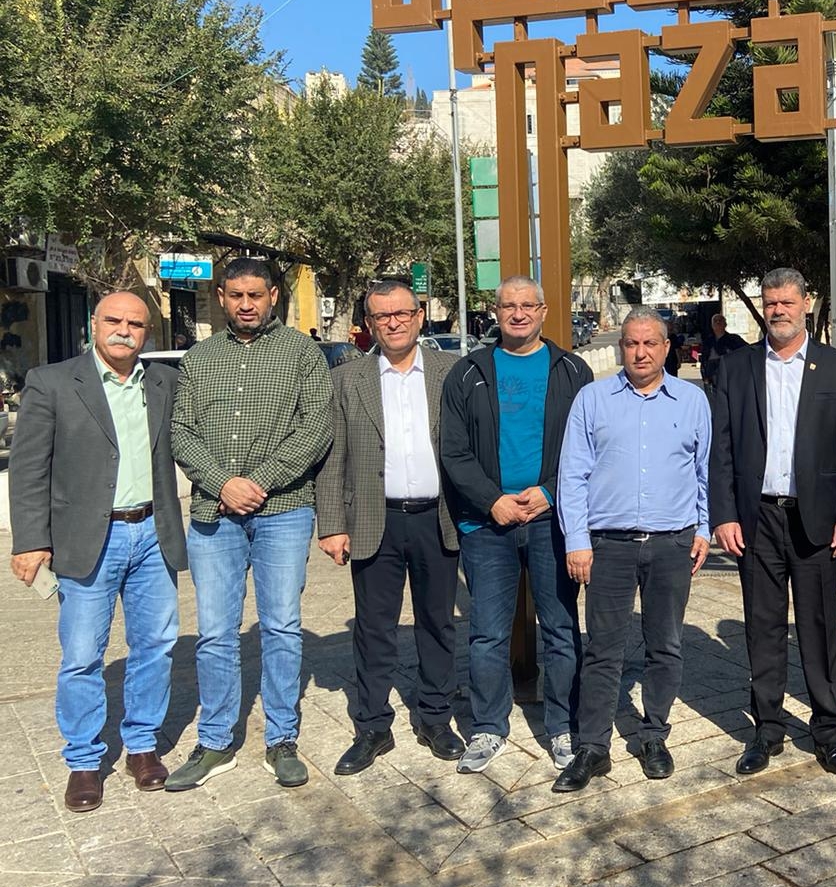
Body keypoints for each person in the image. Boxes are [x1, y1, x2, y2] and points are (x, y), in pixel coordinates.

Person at [8, 291, 187, 811]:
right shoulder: (52, 382)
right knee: (83, 655)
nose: (124, 330)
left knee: (155, 646)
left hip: (153, 532)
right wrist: (31, 541)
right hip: (88, 538)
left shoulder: (163, 382)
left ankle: (142, 745)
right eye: (114, 320)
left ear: (147, 332)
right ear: (94, 323)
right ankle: (84, 760)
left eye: (136, 324)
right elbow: (28, 468)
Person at [167, 258, 333, 791]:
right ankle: (216, 741)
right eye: (236, 295)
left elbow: (317, 429)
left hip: (284, 510)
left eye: (255, 295)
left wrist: (257, 481)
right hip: (214, 515)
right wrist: (223, 484)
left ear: (273, 296)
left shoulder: (302, 353)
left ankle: (281, 738)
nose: (245, 304)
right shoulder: (199, 358)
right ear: (221, 296)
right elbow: (181, 432)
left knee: (281, 626)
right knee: (216, 632)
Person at [710, 267, 836, 776]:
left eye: (786, 302)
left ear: (805, 304)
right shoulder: (735, 368)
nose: (777, 311)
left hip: (815, 520)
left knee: (821, 629)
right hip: (756, 519)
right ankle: (767, 730)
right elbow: (721, 450)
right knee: (763, 627)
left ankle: (829, 732)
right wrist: (724, 515)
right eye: (770, 302)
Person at [553, 311, 712, 791]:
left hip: (672, 543)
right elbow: (572, 474)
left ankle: (654, 736)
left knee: (666, 644)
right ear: (621, 347)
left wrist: (704, 528)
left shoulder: (692, 400)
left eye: (649, 343)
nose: (640, 353)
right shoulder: (592, 399)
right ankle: (592, 746)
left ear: (666, 348)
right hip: (609, 546)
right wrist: (577, 540)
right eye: (631, 343)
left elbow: (704, 470)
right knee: (603, 648)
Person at [441, 276, 593, 775]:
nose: (519, 313)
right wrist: (492, 501)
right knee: (487, 633)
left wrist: (549, 491)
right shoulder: (468, 373)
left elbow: (589, 447)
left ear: (543, 311)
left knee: (561, 629)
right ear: (496, 312)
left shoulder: (573, 371)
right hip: (487, 525)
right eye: (509, 305)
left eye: (528, 305)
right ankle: (488, 727)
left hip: (553, 520)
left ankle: (564, 726)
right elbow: (454, 452)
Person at [316, 281, 465, 775]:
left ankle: (435, 717)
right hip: (373, 519)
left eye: (402, 313)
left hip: (437, 518)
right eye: (383, 316)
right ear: (369, 324)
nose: (394, 322)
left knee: (437, 623)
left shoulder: (451, 372)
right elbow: (332, 458)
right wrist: (332, 524)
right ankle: (373, 726)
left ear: (420, 316)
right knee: (373, 628)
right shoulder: (346, 379)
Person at [701, 313, 747, 389]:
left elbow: (746, 351)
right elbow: (704, 360)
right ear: (712, 325)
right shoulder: (707, 341)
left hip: (730, 375)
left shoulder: (734, 339)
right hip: (712, 376)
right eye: (715, 321)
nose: (718, 322)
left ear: (725, 324)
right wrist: (705, 377)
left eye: (720, 320)